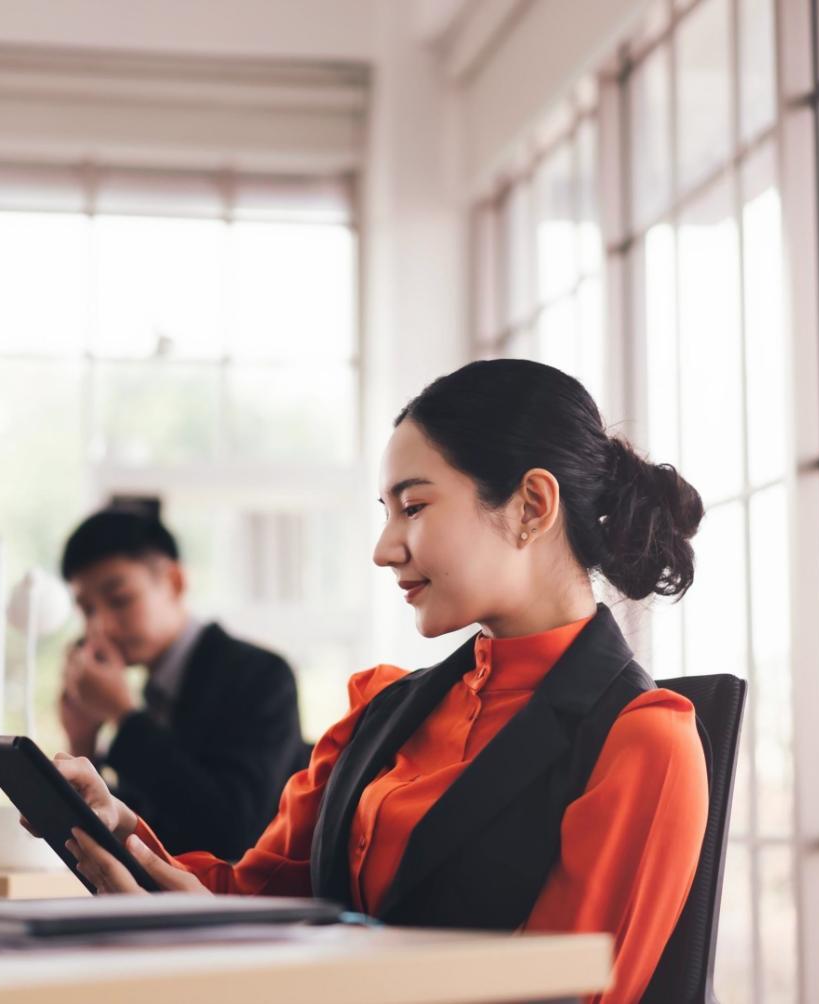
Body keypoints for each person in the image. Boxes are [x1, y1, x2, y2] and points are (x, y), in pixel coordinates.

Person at [49, 360, 710, 1004]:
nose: (384, 547)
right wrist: (120, 831)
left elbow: (558, 994)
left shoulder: (642, 741)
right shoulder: (383, 709)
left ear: (531, 506)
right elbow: (253, 897)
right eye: (386, 512)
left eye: (413, 507)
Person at [56, 509, 305, 860]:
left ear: (174, 582)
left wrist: (124, 716)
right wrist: (82, 742)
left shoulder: (261, 675)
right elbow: (132, 833)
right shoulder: (154, 692)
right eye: (88, 610)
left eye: (120, 600)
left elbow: (235, 830)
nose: (103, 627)